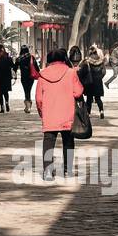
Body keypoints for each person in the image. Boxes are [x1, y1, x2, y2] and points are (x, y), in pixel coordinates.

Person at [35, 48, 84, 179]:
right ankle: (67, 170)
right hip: (67, 113)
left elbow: (39, 98)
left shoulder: (42, 74)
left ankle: (48, 171)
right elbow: (78, 92)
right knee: (68, 141)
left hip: (50, 113)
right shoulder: (71, 72)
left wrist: (42, 112)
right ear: (64, 59)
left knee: (48, 141)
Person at [78, 47, 105, 119]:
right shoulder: (100, 61)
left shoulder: (87, 61)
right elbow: (103, 72)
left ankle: (88, 113)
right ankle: (101, 111)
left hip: (89, 82)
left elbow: (81, 72)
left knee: (89, 99)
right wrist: (99, 77)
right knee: (98, 98)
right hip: (98, 82)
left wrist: (82, 80)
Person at [16, 45, 40, 113]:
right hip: (31, 77)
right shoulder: (31, 57)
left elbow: (15, 67)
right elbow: (36, 67)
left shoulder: (19, 58)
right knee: (28, 90)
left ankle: (28, 106)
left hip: (24, 77)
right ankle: (28, 105)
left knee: (26, 91)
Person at [0, 44, 14, 113]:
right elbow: (12, 65)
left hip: (0, 77)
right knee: (4, 92)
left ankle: (3, 106)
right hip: (5, 77)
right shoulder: (6, 57)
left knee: (1, 92)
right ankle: (5, 104)